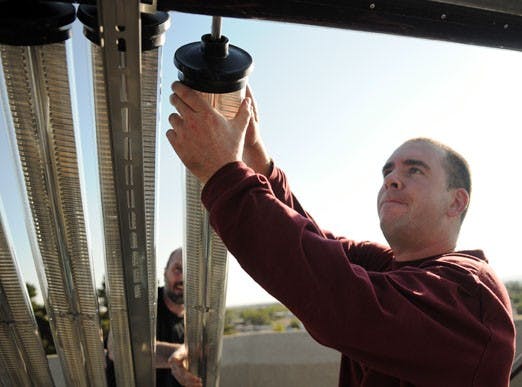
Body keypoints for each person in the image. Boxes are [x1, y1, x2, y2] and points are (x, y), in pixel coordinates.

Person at [166, 81, 516, 386]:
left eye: (415, 170)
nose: (391, 179)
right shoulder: (392, 268)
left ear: (456, 202)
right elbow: (314, 244)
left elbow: (337, 295)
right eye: (388, 171)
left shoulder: (469, 294)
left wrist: (224, 174)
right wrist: (257, 161)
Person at [106, 248, 199, 387]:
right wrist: (178, 354)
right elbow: (118, 348)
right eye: (178, 269)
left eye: (190, 272)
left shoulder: (196, 319)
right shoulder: (141, 304)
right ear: (165, 272)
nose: (183, 278)